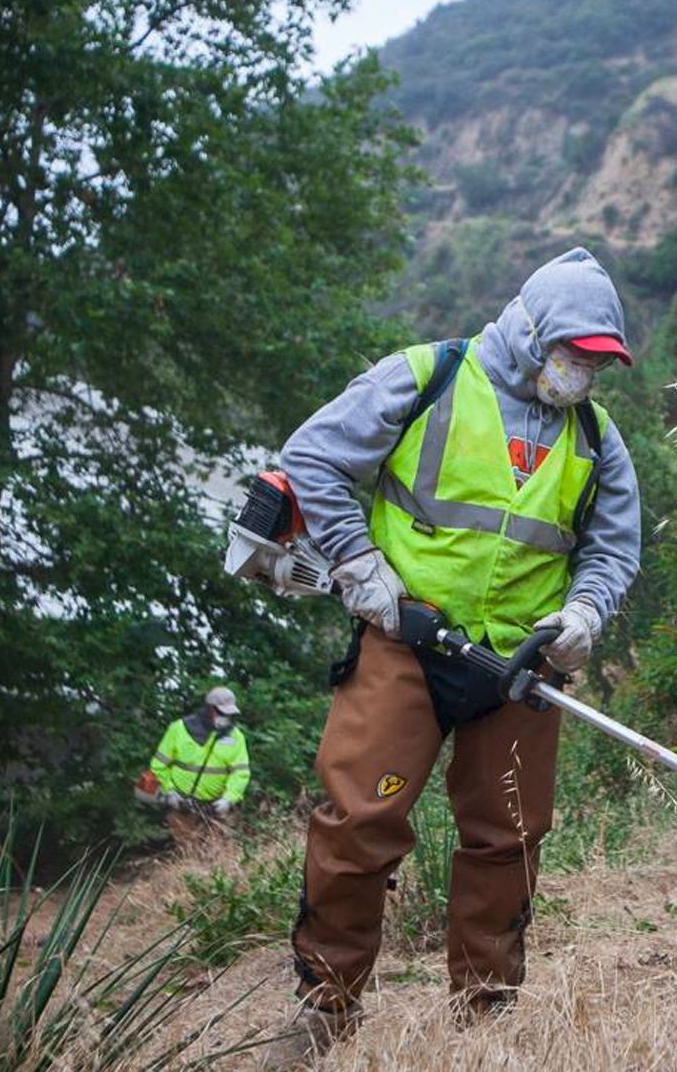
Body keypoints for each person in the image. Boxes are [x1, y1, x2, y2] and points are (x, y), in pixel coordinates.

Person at [270, 247, 641, 1057]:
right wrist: (362, 569)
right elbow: (314, 459)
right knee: (359, 821)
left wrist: (582, 615)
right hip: (405, 642)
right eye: (576, 355)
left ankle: (484, 1015)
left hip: (517, 670)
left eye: (598, 363)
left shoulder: (598, 441)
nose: (585, 374)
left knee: (507, 836)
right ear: (534, 332)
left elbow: (613, 552)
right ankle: (324, 1010)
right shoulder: (428, 377)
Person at [149, 686, 250, 844]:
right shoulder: (179, 729)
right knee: (186, 850)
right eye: (222, 712)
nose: (226, 717)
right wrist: (169, 791)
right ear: (209, 709)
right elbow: (158, 766)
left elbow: (240, 773)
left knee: (218, 852)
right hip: (182, 804)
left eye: (229, 714)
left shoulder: (236, 737)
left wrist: (228, 799)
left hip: (217, 807)